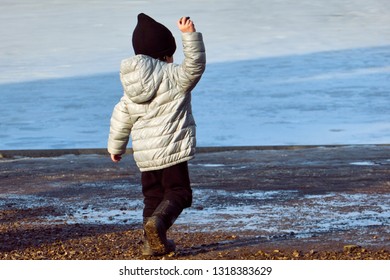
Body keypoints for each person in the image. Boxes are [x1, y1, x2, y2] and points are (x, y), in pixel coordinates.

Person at [107, 13, 206, 256]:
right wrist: (189, 35)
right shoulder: (173, 76)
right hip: (172, 151)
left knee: (152, 197)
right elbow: (195, 65)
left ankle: (151, 244)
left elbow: (121, 115)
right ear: (164, 55)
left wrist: (115, 147)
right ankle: (158, 226)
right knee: (179, 193)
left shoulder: (132, 88)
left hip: (146, 156)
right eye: (171, 55)